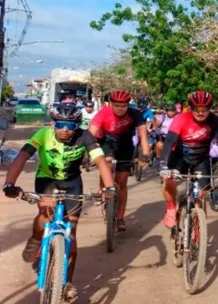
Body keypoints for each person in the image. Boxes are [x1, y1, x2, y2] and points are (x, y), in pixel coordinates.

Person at [3, 104, 115, 301]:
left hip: (72, 182)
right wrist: (9, 183)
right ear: (53, 124)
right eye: (60, 124)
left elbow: (100, 161)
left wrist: (109, 187)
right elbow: (22, 156)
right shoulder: (43, 135)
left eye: (70, 126)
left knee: (71, 231)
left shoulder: (85, 136)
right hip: (46, 179)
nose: (65, 129)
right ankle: (37, 238)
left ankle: (66, 283)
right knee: (46, 214)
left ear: (76, 127)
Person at [158, 91, 218, 228]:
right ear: (190, 108)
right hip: (180, 157)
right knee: (169, 180)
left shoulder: (215, 121)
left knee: (202, 195)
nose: (201, 113)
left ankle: (197, 232)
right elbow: (170, 141)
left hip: (201, 160)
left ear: (210, 109)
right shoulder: (181, 119)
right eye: (197, 109)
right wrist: (164, 164)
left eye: (205, 109)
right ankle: (171, 208)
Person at [88, 90, 151, 232]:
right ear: (111, 104)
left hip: (125, 145)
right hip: (106, 143)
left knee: (123, 180)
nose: (120, 108)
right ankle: (103, 187)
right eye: (117, 105)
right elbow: (90, 134)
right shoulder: (103, 113)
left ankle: (121, 217)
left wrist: (145, 155)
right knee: (108, 163)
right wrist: (87, 154)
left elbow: (143, 136)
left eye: (124, 105)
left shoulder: (135, 114)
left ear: (128, 105)